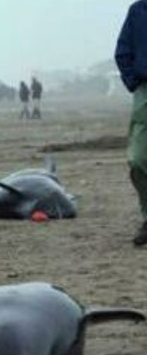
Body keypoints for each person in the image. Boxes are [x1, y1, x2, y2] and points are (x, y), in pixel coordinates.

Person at [116, 2, 147, 245]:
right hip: (145, 91)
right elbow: (123, 50)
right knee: (138, 159)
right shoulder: (139, 10)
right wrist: (133, 79)